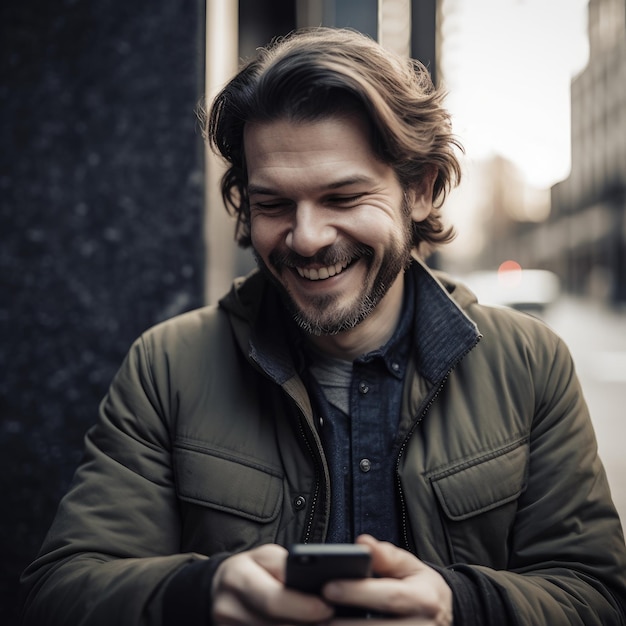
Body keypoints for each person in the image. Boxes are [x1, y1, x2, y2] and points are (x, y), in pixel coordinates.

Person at [20, 26, 626, 626]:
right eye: (274, 204)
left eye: (343, 197)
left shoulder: (529, 363)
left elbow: (595, 594)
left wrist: (459, 606)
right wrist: (201, 593)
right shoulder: (167, 366)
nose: (306, 238)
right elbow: (61, 591)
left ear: (421, 190)